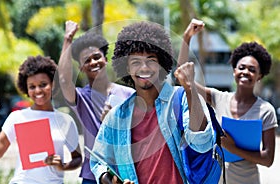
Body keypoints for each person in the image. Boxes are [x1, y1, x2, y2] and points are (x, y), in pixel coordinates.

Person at [89, 21, 215, 184]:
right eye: (135, 62)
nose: (144, 68)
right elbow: (99, 162)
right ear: (127, 68)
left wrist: (190, 90)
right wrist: (112, 181)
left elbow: (202, 144)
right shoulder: (117, 116)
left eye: (151, 60)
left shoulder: (181, 98)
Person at [179, 19, 278, 184]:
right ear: (233, 71)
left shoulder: (266, 110)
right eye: (241, 67)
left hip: (247, 180)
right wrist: (187, 36)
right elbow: (183, 77)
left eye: (252, 70)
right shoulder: (218, 98)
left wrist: (232, 147)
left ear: (259, 76)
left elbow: (268, 159)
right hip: (216, 178)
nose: (246, 72)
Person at [0, 55, 82, 184]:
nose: (38, 90)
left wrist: (62, 166)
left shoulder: (65, 120)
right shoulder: (17, 117)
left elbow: (77, 158)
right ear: (26, 89)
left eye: (43, 84)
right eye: (32, 87)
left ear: (53, 84)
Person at [58, 21, 135, 184]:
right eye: (86, 60)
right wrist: (68, 38)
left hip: (128, 172)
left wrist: (114, 120)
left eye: (96, 57)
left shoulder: (129, 94)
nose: (93, 62)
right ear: (80, 67)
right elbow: (64, 80)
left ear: (105, 59)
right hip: (92, 176)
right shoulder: (82, 98)